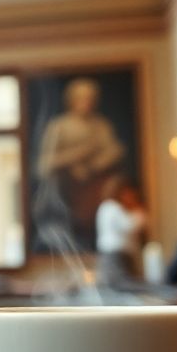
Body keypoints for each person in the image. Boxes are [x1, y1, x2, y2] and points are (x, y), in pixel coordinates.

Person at [35, 78, 126, 247]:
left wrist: (93, 166)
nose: (87, 103)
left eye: (90, 98)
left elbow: (114, 151)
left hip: (94, 190)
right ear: (71, 100)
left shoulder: (100, 126)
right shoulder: (59, 127)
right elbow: (44, 165)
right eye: (82, 98)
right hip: (67, 190)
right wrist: (78, 155)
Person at [95, 181, 146, 287]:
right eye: (127, 193)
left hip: (116, 255)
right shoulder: (112, 207)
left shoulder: (108, 207)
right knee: (123, 286)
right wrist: (140, 212)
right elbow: (129, 226)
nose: (130, 196)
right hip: (116, 255)